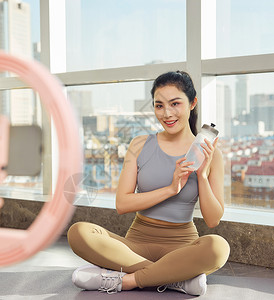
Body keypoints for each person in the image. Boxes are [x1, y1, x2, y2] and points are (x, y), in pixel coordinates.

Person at [67, 71, 230, 296]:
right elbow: (122, 204)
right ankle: (175, 278)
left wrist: (201, 176)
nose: (167, 113)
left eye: (175, 104)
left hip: (182, 247)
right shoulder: (140, 144)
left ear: (192, 103)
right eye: (159, 106)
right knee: (79, 232)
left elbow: (213, 220)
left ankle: (127, 280)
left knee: (218, 247)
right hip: (134, 246)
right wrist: (171, 189)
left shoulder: (211, 154)